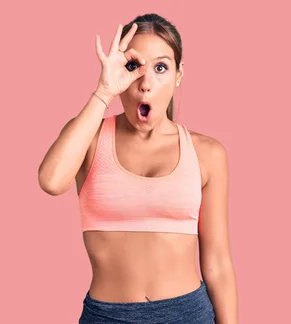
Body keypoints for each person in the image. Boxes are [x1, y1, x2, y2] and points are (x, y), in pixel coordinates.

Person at [38, 13, 238, 324]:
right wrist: (104, 92)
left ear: (178, 74)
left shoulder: (207, 153)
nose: (146, 84)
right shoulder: (88, 137)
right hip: (106, 317)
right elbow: (51, 181)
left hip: (188, 315)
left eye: (161, 67)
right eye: (133, 66)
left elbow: (217, 262)